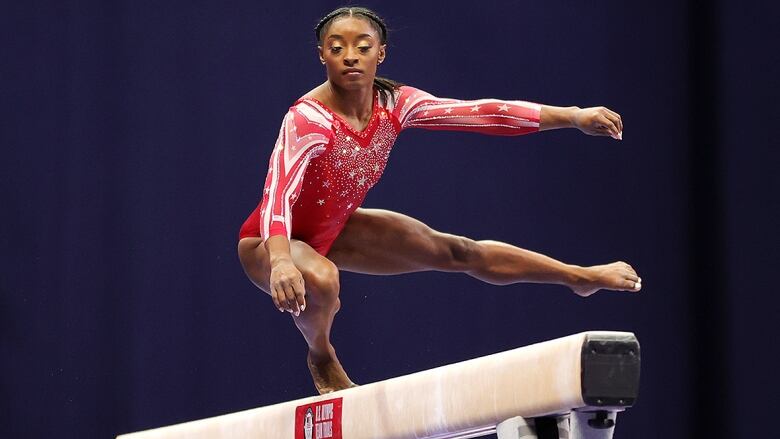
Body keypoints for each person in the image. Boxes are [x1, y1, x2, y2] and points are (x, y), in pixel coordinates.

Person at [237, 6, 641, 394]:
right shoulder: (308, 118)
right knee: (322, 280)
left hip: (336, 230)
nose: (350, 57)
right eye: (336, 47)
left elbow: (483, 113)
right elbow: (278, 192)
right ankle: (321, 353)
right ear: (321, 54)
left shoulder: (395, 103)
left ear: (381, 53)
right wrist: (282, 260)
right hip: (269, 242)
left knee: (458, 250)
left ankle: (579, 278)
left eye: (362, 46)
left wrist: (572, 115)